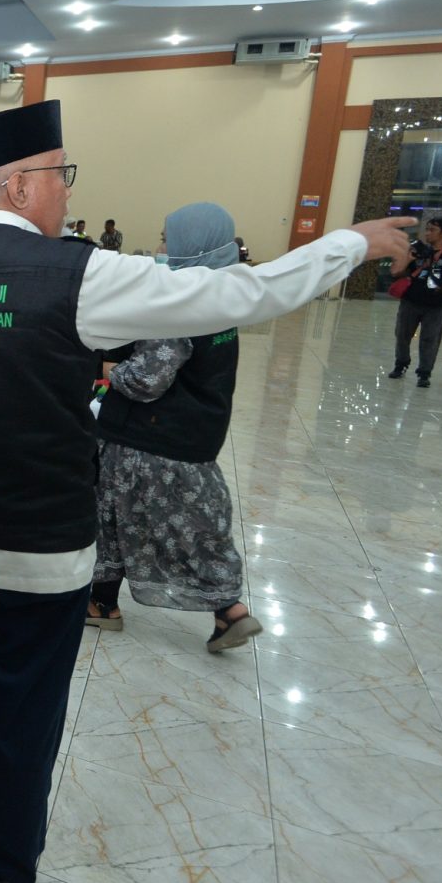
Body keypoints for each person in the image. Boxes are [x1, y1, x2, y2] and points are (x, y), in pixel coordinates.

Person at [0, 99, 415, 883]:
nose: (67, 195)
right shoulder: (78, 274)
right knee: (24, 712)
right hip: (42, 557)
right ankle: (1, 865)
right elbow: (235, 295)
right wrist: (348, 243)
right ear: (17, 186)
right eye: (59, 176)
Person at [88, 203, 261, 651]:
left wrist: (109, 370)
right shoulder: (222, 292)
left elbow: (148, 379)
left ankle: (103, 604)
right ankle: (228, 609)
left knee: (108, 517)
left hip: (145, 438)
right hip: (195, 434)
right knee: (196, 524)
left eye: (167, 239)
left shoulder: (180, 299)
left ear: (192, 244)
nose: (161, 247)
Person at [389, 215, 442, 388]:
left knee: (430, 339)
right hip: (411, 300)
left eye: (432, 230)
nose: (427, 233)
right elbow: (397, 273)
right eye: (427, 229)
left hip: (436, 304)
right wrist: (409, 258)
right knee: (402, 335)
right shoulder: (418, 250)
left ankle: (424, 373)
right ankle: (401, 364)